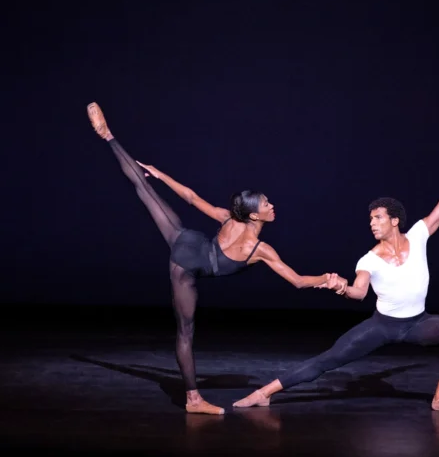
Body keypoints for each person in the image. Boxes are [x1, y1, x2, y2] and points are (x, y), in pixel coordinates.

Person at [86, 102, 340, 415]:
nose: (272, 206)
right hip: (186, 265)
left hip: (186, 239)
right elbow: (299, 282)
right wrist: (327, 281)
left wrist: (161, 176)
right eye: (266, 204)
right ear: (253, 213)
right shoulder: (259, 249)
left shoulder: (229, 219)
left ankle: (109, 136)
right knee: (185, 332)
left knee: (143, 187)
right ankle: (193, 401)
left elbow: (191, 198)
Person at [232, 149, 439, 414]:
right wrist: (341, 287)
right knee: (328, 360)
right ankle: (263, 393)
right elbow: (359, 293)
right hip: (383, 326)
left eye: (378, 218)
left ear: (394, 220)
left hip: (418, 323)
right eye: (370, 219)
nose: (372, 223)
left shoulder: (419, 235)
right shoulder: (369, 260)